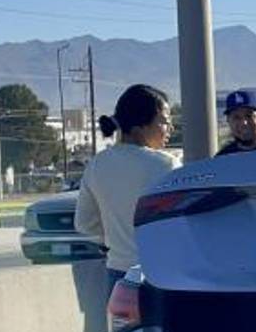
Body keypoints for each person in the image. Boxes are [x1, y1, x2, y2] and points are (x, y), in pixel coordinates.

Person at [75, 84, 180, 294]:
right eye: (165, 122)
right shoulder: (167, 165)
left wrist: (116, 239)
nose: (170, 129)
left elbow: (84, 224)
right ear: (141, 125)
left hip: (118, 276)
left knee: (121, 327)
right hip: (161, 276)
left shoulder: (97, 165)